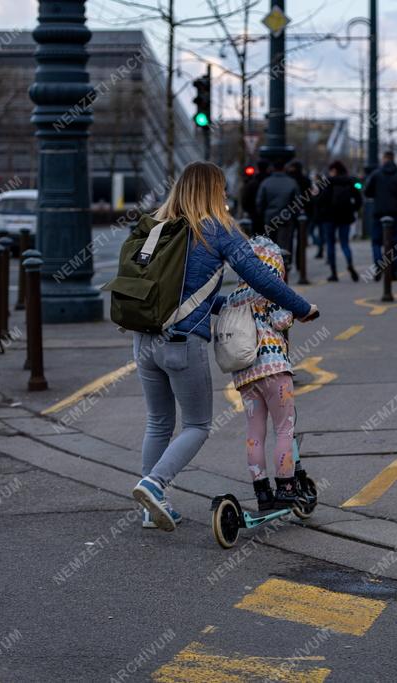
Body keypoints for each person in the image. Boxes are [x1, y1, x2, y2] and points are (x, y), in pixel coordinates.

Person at [131, 162, 318, 532]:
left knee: (158, 422)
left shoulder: (156, 226)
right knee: (198, 424)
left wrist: (226, 306)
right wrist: (302, 307)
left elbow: (170, 289)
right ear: (213, 191)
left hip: (143, 338)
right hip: (182, 342)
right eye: (222, 189)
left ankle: (151, 507)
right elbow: (259, 276)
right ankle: (154, 484)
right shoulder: (217, 229)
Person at [227, 234, 307, 511]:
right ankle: (286, 487)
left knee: (254, 433)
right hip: (274, 370)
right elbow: (282, 319)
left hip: (245, 375)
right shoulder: (271, 291)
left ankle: (262, 491)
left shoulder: (234, 297)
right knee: (284, 429)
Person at [364, 150, 397, 280]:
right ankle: (394, 273)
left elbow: (367, 192)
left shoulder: (376, 174)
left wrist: (377, 195)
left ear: (384, 159)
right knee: (395, 244)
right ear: (393, 159)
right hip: (395, 214)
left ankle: (379, 264)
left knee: (376, 242)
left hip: (378, 213)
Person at [317, 160, 362, 282]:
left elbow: (320, 199)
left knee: (330, 244)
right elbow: (359, 198)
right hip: (345, 217)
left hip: (329, 217)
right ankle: (350, 264)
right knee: (345, 243)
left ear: (334, 170)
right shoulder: (350, 181)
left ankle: (334, 273)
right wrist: (353, 210)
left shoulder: (327, 181)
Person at [256, 160, 300, 256]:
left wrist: (262, 214)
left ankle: (273, 264)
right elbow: (297, 202)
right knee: (285, 243)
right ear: (284, 169)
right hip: (286, 217)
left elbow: (260, 202)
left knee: (270, 244)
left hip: (270, 217)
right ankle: (285, 263)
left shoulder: (266, 182)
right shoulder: (292, 182)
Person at [241, 160, 270, 235]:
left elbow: (245, 200)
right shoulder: (271, 183)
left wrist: (250, 211)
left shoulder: (252, 183)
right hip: (270, 216)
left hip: (255, 216)